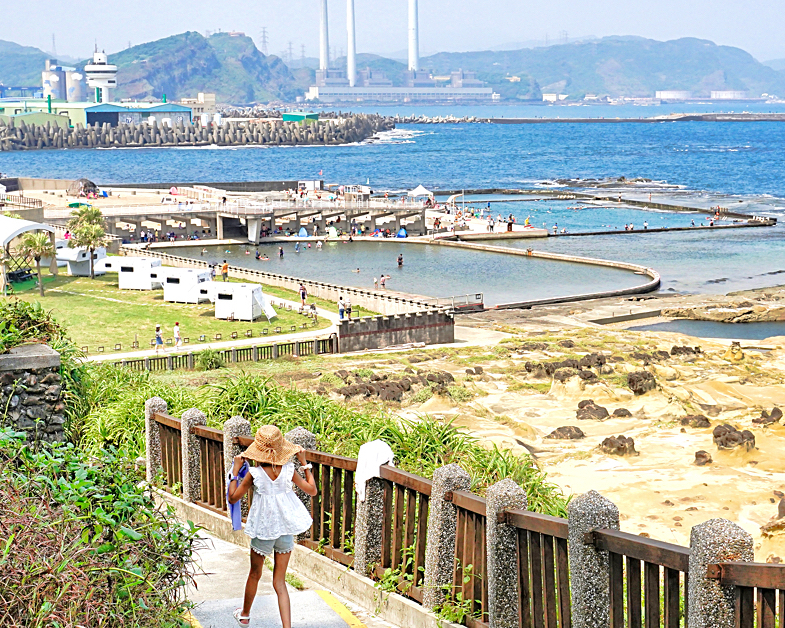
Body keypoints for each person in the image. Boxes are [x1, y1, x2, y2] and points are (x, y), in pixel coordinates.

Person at [227, 426, 317, 628]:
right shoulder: (289, 470)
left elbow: (233, 497)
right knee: (280, 582)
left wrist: (234, 471)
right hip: (284, 529)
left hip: (264, 530)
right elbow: (312, 490)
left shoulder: (254, 474)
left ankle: (245, 615)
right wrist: (304, 464)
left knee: (255, 574)